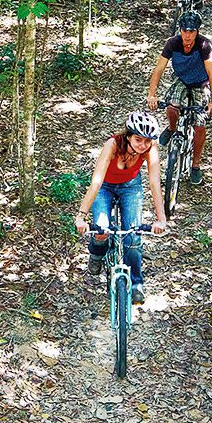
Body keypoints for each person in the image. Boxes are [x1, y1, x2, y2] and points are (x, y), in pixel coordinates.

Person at [74, 112, 167, 305]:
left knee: (133, 235)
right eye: (138, 139)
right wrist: (81, 216)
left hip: (130, 187)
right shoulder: (113, 145)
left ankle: (136, 285)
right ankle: (96, 254)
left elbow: (155, 182)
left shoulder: (149, 149)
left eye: (147, 141)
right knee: (101, 229)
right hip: (105, 187)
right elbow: (96, 182)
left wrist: (161, 218)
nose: (143, 145)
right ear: (128, 136)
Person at [146, 11, 212, 186]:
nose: (187, 35)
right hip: (181, 79)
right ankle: (172, 129)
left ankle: (195, 165)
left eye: (191, 32)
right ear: (180, 30)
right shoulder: (172, 44)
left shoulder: (204, 46)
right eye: (184, 31)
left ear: (197, 32)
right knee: (172, 106)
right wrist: (152, 94)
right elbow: (159, 69)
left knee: (200, 124)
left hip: (200, 83)